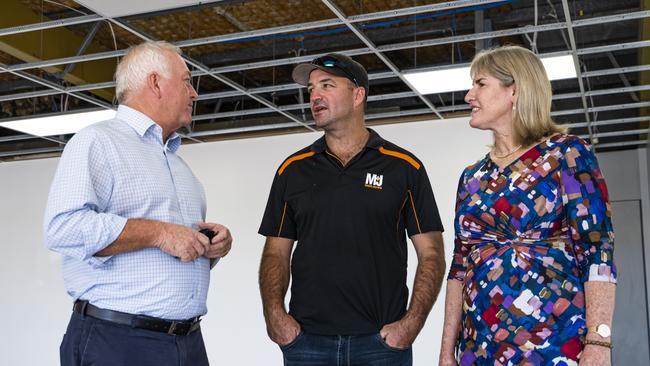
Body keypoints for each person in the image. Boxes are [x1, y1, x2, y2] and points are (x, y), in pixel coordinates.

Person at [43, 41, 232, 366]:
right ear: (155, 82)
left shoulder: (180, 168)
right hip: (118, 344)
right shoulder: (97, 142)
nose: (195, 93)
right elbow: (63, 229)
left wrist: (208, 248)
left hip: (187, 342)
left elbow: (172, 250)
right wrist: (158, 233)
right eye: (187, 80)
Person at [258, 53, 446, 365]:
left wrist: (411, 324)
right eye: (311, 89)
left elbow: (432, 254)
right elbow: (275, 252)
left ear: (358, 95)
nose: (314, 95)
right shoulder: (292, 170)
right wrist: (274, 316)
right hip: (307, 344)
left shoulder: (405, 167)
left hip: (381, 345)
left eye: (327, 85)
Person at [438, 45, 617, 366]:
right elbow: (459, 266)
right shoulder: (472, 177)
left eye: (480, 84)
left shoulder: (567, 155)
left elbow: (598, 252)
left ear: (515, 90)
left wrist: (599, 341)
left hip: (553, 345)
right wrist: (445, 351)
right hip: (478, 348)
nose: (468, 95)